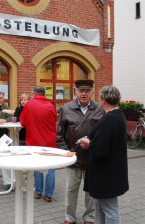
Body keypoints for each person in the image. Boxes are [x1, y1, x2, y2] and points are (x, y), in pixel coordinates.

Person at [56, 79, 104, 224]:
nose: (84, 93)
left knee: (90, 192)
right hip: (73, 158)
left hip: (92, 157)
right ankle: (69, 218)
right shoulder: (66, 108)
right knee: (71, 189)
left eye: (87, 91)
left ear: (92, 92)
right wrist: (67, 153)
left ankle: (89, 217)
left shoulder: (99, 109)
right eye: (80, 90)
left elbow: (104, 134)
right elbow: (59, 135)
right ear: (75, 91)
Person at [80, 85, 129, 224]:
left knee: (110, 208)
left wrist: (88, 142)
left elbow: (101, 149)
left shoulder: (110, 118)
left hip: (106, 173)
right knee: (100, 206)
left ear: (103, 100)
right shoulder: (117, 115)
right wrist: (91, 140)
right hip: (110, 171)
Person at [20, 86, 57, 203]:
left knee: (37, 167)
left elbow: (22, 122)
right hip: (50, 142)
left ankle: (39, 192)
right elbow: (54, 120)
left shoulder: (29, 105)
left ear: (34, 93)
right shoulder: (51, 105)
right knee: (51, 169)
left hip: (34, 142)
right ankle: (49, 195)